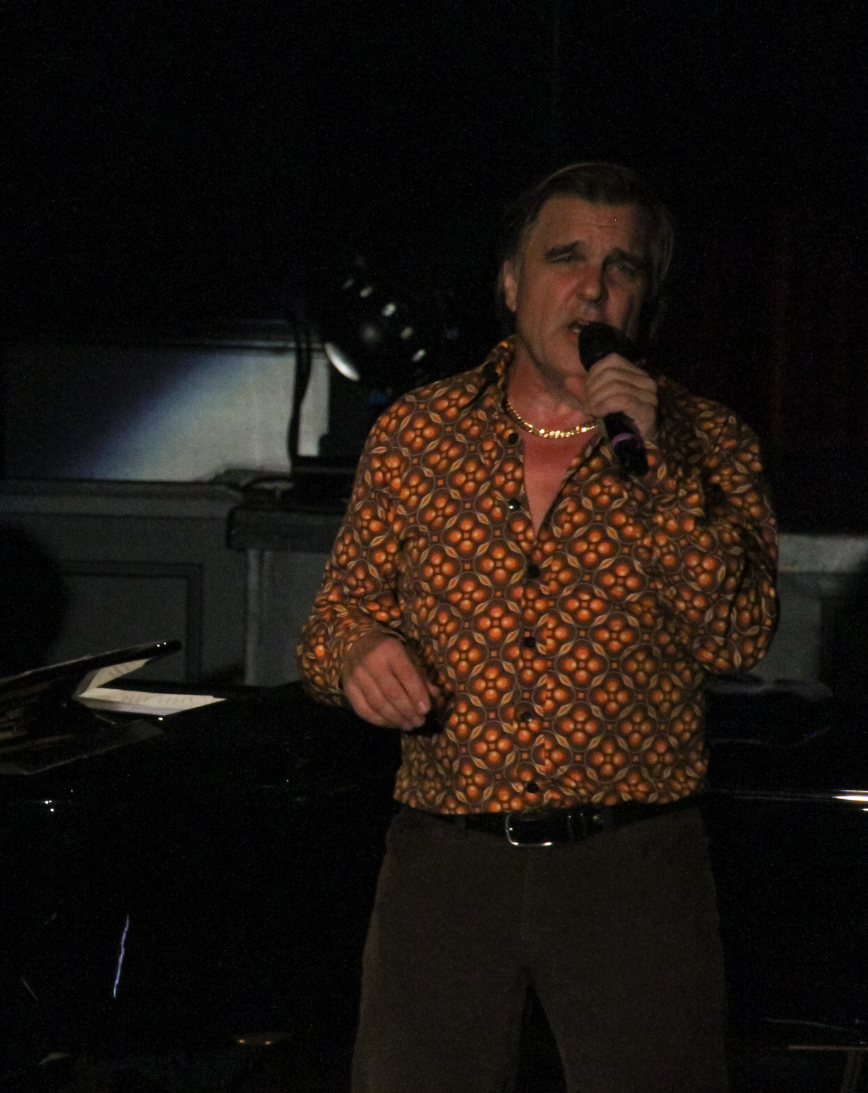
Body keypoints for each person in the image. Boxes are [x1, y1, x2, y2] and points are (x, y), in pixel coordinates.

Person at [298, 163, 777, 1092]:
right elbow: (332, 620)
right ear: (513, 285)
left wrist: (657, 466)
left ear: (644, 301)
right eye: (566, 259)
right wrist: (356, 651)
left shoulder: (709, 443)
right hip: (446, 864)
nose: (593, 288)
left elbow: (736, 635)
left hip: (632, 868)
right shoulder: (418, 435)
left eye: (622, 268)